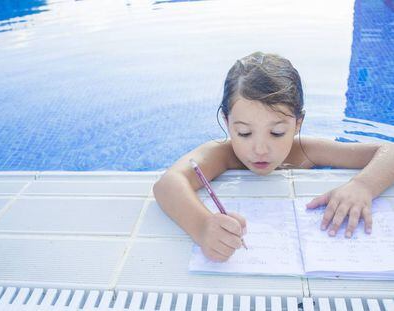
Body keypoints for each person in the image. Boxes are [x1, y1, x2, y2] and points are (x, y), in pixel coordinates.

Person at [153, 51, 394, 262]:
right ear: (227, 123)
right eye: (244, 133)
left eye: (277, 133)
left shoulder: (306, 151)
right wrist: (202, 226)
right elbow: (168, 184)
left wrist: (362, 186)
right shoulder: (222, 155)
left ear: (297, 124)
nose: (260, 149)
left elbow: (389, 151)